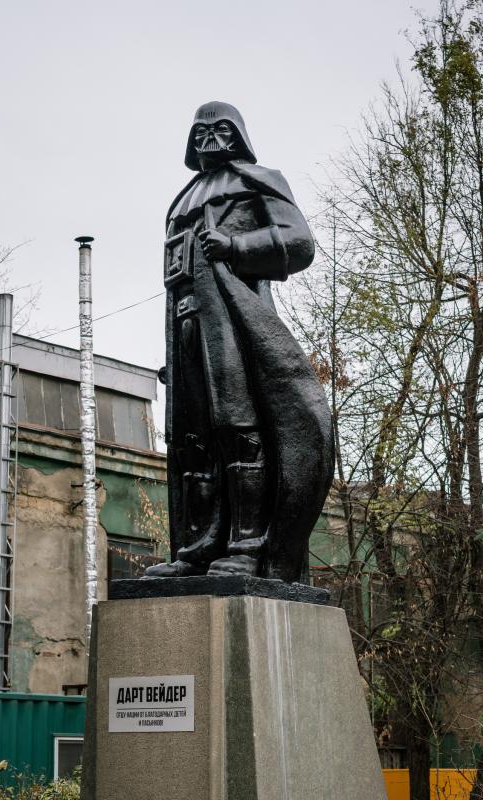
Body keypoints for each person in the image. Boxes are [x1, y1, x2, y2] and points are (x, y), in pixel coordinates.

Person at [143, 101, 331, 584]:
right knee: (194, 440)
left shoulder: (258, 180)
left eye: (220, 129)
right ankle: (197, 547)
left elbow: (299, 243)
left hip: (233, 326)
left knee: (238, 428)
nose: (209, 138)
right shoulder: (182, 198)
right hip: (186, 326)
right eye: (199, 131)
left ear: (239, 135)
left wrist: (237, 247)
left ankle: (247, 545)